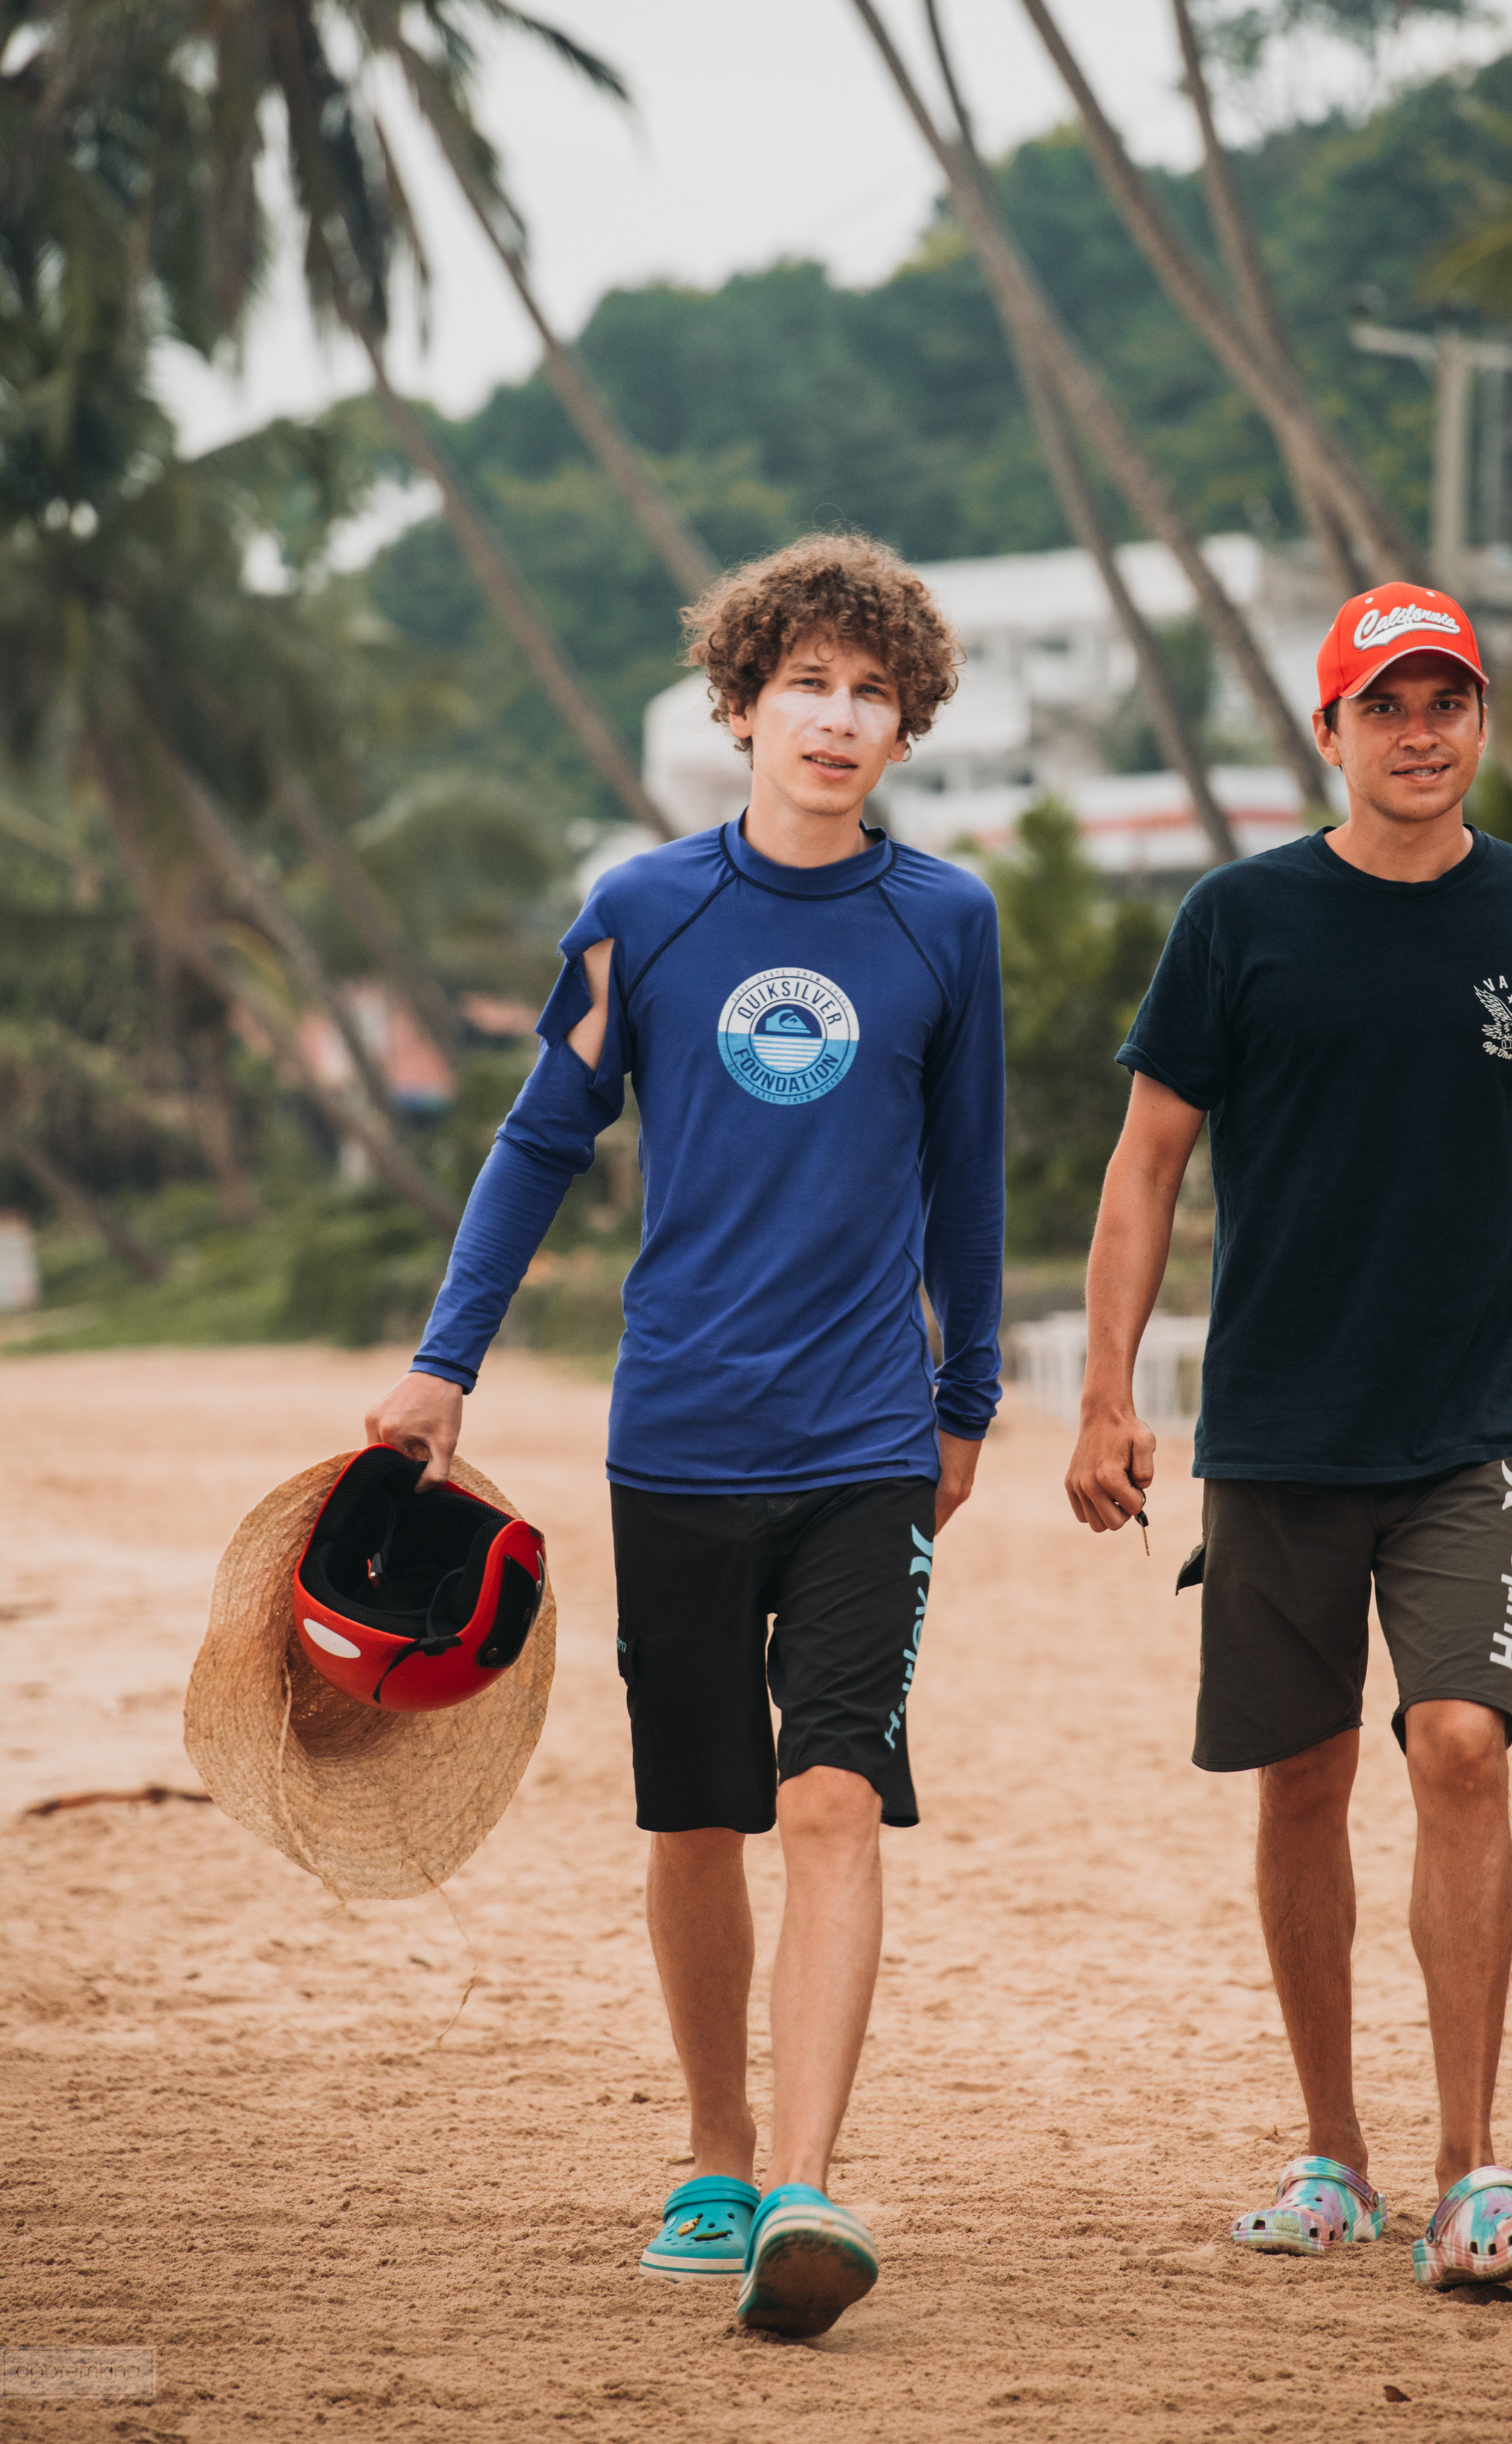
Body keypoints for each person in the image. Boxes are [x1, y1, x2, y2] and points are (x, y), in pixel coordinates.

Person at [366, 534, 1005, 2338]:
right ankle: (717, 2144)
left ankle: (804, 2181)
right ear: (736, 704)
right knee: (697, 1812)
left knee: (829, 1793)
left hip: (867, 1436)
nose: (836, 715)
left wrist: (967, 1401)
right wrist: (444, 1363)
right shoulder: (642, 909)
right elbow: (537, 1139)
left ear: (903, 729)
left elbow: (971, 1185)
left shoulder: (939, 919)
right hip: (679, 1438)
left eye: (871, 693)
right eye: (804, 681)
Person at [1064, 581, 1512, 2290]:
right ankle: (1330, 2148)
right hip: (1270, 1423)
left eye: (1447, 702)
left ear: (1476, 722)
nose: (1420, 733)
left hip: (1464, 1427)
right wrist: (1107, 1389)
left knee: (1459, 1746)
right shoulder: (1236, 918)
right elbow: (1143, 1163)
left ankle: (1470, 2164)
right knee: (1301, 1778)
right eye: (1385, 705)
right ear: (1326, 732)